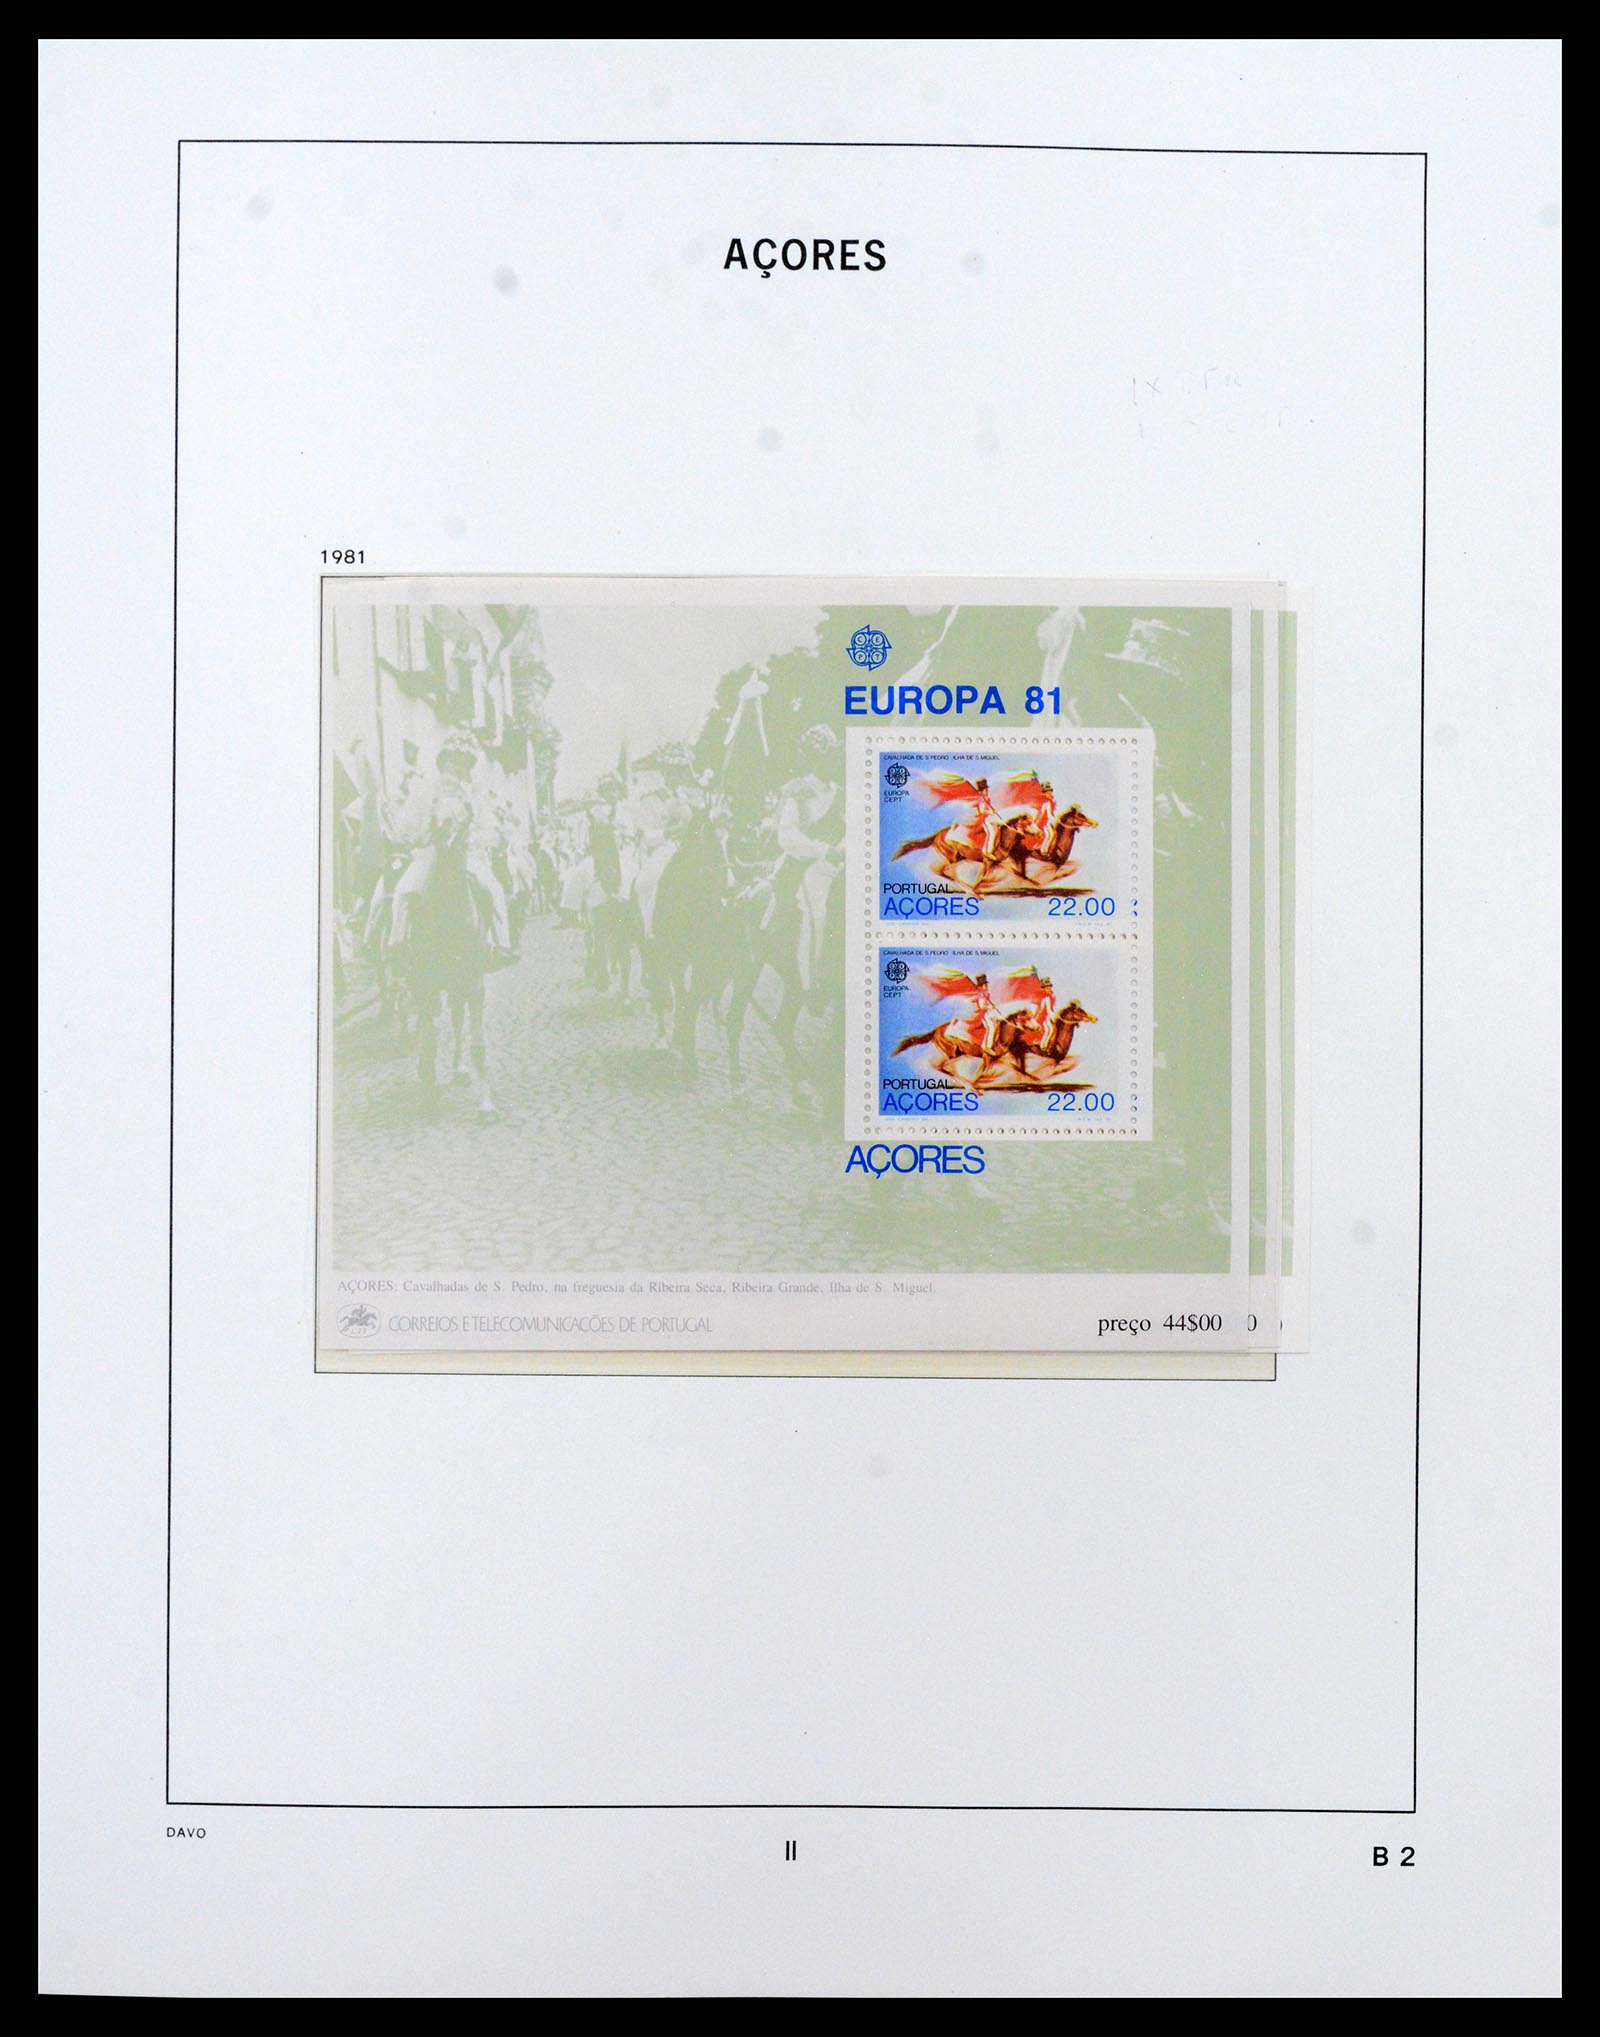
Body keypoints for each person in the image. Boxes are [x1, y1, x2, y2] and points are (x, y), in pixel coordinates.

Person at [772, 724, 845, 995]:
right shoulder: (798, 791)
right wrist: (823, 850)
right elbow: (786, 836)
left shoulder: (841, 793)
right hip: (803, 866)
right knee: (817, 915)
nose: (832, 763)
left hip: (839, 863)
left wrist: (844, 849)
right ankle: (811, 985)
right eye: (825, 757)